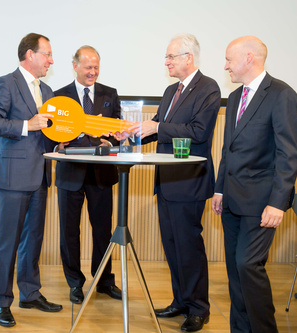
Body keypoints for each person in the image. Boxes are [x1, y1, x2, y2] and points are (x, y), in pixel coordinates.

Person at [126, 33, 221, 332]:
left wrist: (157, 126)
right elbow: (160, 128)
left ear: (188, 58)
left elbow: (199, 131)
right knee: (172, 246)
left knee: (189, 247)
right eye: (166, 57)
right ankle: (180, 300)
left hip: (189, 182)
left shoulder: (208, 88)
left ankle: (198, 308)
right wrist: (135, 132)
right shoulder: (170, 91)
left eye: (170, 57)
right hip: (165, 181)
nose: (166, 62)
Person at [211, 36, 297, 333]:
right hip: (232, 201)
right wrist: (219, 188)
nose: (225, 66)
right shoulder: (236, 97)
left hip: (262, 202)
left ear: (248, 58)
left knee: (248, 266)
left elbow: (289, 155)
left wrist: (278, 202)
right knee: (236, 273)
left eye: (228, 59)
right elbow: (229, 149)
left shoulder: (281, 94)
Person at [0, 33, 62, 328]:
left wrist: (60, 143)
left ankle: (29, 293)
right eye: (48, 54)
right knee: (8, 243)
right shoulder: (5, 83)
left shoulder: (48, 90)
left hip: (39, 176)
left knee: (33, 239)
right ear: (30, 55)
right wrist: (27, 125)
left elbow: (50, 133)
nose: (52, 60)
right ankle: (1, 301)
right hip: (12, 178)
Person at [54, 45, 122, 304]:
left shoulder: (110, 94)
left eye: (96, 67)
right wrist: (57, 144)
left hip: (101, 173)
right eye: (88, 67)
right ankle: (74, 283)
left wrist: (112, 144)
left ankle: (104, 280)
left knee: (103, 230)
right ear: (75, 66)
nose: (93, 72)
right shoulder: (59, 97)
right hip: (70, 173)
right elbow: (51, 132)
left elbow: (117, 130)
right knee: (69, 231)